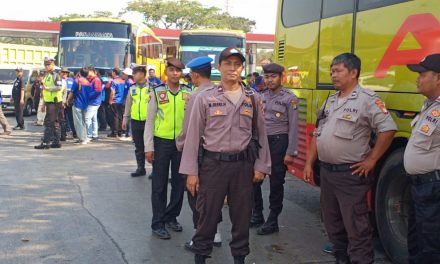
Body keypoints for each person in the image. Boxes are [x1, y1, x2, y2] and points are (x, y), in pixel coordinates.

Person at [179, 48, 271, 264]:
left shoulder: (253, 98)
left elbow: (261, 134)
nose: (232, 68)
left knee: (241, 217)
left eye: (237, 64)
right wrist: (191, 172)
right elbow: (193, 137)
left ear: (242, 68)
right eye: (227, 63)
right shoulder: (205, 98)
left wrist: (261, 165)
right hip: (213, 166)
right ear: (219, 67)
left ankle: (239, 258)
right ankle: (201, 255)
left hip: (242, 167)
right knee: (207, 216)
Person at [303, 53, 397, 264]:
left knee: (356, 226)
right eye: (332, 71)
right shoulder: (331, 100)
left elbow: (388, 130)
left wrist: (372, 160)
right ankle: (341, 258)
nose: (332, 75)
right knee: (332, 222)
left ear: (353, 73)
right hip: (327, 173)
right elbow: (318, 134)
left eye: (338, 71)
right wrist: (309, 163)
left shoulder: (367, 100)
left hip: (350, 175)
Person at [175, 56, 223, 249]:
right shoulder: (220, 92)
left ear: (195, 75)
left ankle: (199, 235)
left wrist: (180, 145)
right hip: (216, 153)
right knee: (213, 193)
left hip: (198, 151)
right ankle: (216, 233)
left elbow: (189, 129)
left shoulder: (195, 96)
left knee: (195, 194)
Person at [144, 58, 191, 240]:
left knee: (180, 184)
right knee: (159, 184)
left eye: (178, 70)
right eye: (171, 70)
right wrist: (149, 146)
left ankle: (171, 217)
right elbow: (150, 121)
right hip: (161, 143)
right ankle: (158, 222)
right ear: (166, 72)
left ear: (181, 73)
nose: (174, 73)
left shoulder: (188, 93)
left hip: (181, 144)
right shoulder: (157, 92)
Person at [251, 63, 299, 236]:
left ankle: (273, 220)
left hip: (279, 143)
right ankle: (257, 214)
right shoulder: (260, 96)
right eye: (267, 76)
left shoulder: (289, 98)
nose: (270, 80)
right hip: (261, 143)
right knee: (254, 179)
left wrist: (290, 152)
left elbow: (294, 127)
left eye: (273, 77)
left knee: (276, 183)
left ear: (281, 77)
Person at [404, 54, 440, 264]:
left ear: (438, 78)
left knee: (431, 248)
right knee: (417, 244)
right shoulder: (429, 105)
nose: (418, 79)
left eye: (422, 74)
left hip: (433, 188)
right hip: (420, 188)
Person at [122, 66, 149, 177]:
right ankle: (140, 168)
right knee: (138, 146)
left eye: (135, 73)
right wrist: (125, 119)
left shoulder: (153, 87)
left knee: (152, 146)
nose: (133, 76)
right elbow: (128, 104)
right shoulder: (132, 88)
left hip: (149, 121)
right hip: (135, 121)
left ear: (142, 74)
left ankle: (156, 170)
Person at [35, 57, 64, 149]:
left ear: (53, 64)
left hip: (54, 101)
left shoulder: (56, 74)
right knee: (54, 122)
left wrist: (48, 88)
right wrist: (43, 104)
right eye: (46, 64)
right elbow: (44, 90)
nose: (47, 66)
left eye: (49, 64)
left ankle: (45, 143)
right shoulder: (47, 75)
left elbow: (59, 87)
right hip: (49, 102)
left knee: (48, 122)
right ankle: (56, 141)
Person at [67, 67, 91, 145]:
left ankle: (82, 138)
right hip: (86, 104)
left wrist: (68, 100)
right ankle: (85, 137)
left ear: (79, 73)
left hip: (78, 103)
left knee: (78, 122)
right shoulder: (88, 82)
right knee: (83, 121)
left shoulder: (77, 81)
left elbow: (72, 92)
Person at [85, 67, 102, 141]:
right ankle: (94, 134)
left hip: (93, 102)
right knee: (94, 119)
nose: (88, 74)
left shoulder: (96, 80)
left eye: (89, 72)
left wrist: (88, 95)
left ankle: (89, 135)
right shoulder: (93, 80)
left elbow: (97, 91)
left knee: (87, 118)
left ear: (93, 72)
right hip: (94, 101)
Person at [108, 68, 125, 137]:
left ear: (114, 73)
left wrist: (110, 100)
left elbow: (112, 92)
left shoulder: (114, 81)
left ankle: (114, 132)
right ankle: (120, 132)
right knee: (121, 116)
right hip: (122, 101)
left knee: (115, 117)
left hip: (115, 101)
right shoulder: (123, 81)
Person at [121, 68, 135, 140]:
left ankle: (129, 134)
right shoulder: (128, 81)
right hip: (126, 100)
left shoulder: (129, 82)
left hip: (128, 101)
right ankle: (127, 133)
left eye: (123, 74)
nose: (122, 75)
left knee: (128, 117)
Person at [65, 72, 76, 137]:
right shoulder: (74, 81)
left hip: (66, 100)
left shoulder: (65, 81)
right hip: (72, 101)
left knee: (66, 116)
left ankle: (67, 128)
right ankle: (73, 131)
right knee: (71, 117)